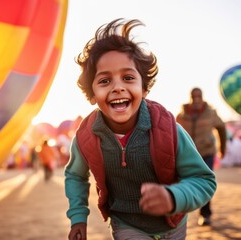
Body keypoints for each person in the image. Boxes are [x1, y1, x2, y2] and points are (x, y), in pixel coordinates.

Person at [64, 18, 216, 240]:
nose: (118, 87)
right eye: (105, 81)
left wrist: (173, 197)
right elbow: (76, 176)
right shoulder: (86, 136)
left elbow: (203, 180)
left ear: (144, 88)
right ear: (92, 93)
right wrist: (78, 217)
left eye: (128, 77)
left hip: (173, 222)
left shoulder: (168, 129)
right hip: (126, 223)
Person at [176, 87, 226, 226]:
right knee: (183, 183)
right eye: (194, 96)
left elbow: (221, 128)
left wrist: (223, 149)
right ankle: (180, 214)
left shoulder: (211, 113)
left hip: (207, 152)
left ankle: (205, 214)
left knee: (204, 182)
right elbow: (173, 133)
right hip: (188, 155)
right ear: (191, 97)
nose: (196, 99)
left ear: (202, 97)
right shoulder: (181, 115)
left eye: (199, 96)